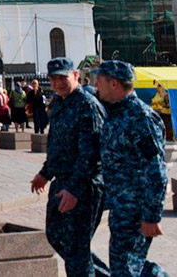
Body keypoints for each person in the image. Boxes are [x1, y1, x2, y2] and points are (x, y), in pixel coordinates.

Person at [30, 57, 109, 277]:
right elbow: (57, 144)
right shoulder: (59, 103)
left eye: (63, 78)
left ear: (75, 75)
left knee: (76, 251)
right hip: (61, 182)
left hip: (83, 186)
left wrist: (75, 190)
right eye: (54, 79)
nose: (58, 83)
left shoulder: (87, 106)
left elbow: (90, 156)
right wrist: (45, 174)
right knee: (57, 236)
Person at [92, 60, 168, 276]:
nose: (96, 85)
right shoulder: (115, 114)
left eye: (100, 81)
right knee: (125, 266)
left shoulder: (140, 118)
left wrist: (151, 215)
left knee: (125, 268)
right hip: (121, 208)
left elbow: (156, 170)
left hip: (136, 210)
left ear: (114, 83)